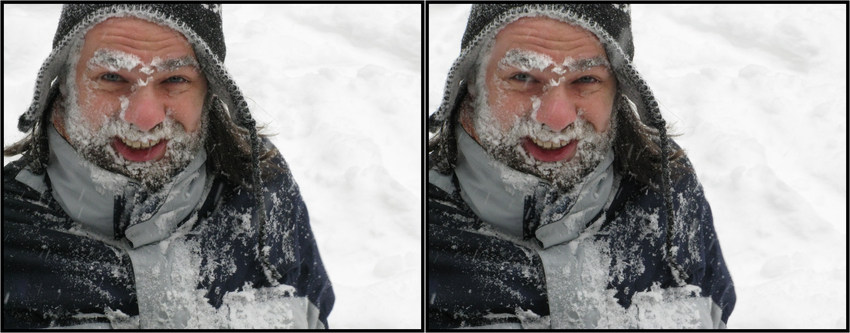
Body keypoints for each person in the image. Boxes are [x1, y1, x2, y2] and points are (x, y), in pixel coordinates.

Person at [3, 4, 333, 329]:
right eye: (112, 77)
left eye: (175, 79)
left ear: (210, 89)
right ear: (63, 84)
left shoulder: (262, 188)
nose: (145, 119)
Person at [427, 4, 735, 329]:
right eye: (522, 76)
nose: (557, 118)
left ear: (618, 88)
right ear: (472, 80)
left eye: (586, 79)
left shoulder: (668, 189)